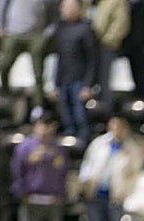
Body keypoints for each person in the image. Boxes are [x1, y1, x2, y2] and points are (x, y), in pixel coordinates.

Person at [78, 117, 144, 221]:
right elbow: (87, 164)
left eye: (120, 126)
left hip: (116, 198)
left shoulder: (132, 149)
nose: (117, 129)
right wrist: (85, 183)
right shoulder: (99, 144)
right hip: (95, 194)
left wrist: (125, 193)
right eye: (114, 126)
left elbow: (134, 175)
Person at [12, 113, 69, 221]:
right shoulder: (25, 147)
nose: (45, 129)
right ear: (36, 126)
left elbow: (64, 173)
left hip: (53, 200)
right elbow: (17, 172)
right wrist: (22, 193)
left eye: (48, 126)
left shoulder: (59, 148)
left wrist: (61, 193)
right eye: (42, 125)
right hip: (31, 199)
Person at [53, 0, 97, 147]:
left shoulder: (85, 29)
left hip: (79, 80)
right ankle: (69, 148)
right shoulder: (61, 29)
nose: (63, 11)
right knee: (66, 117)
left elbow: (92, 60)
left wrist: (87, 85)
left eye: (66, 8)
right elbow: (60, 58)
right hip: (64, 79)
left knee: (80, 117)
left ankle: (84, 147)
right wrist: (55, 84)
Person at [0, 0, 56, 103]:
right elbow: (1, 4)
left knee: (38, 73)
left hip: (36, 35)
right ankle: (6, 94)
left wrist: (46, 34)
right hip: (13, 33)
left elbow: (55, 13)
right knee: (3, 65)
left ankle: (38, 106)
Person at [92, 0, 131, 118]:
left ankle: (107, 116)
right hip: (92, 45)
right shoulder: (93, 2)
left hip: (107, 47)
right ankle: (95, 114)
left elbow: (121, 25)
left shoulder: (117, 2)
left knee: (105, 82)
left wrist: (108, 40)